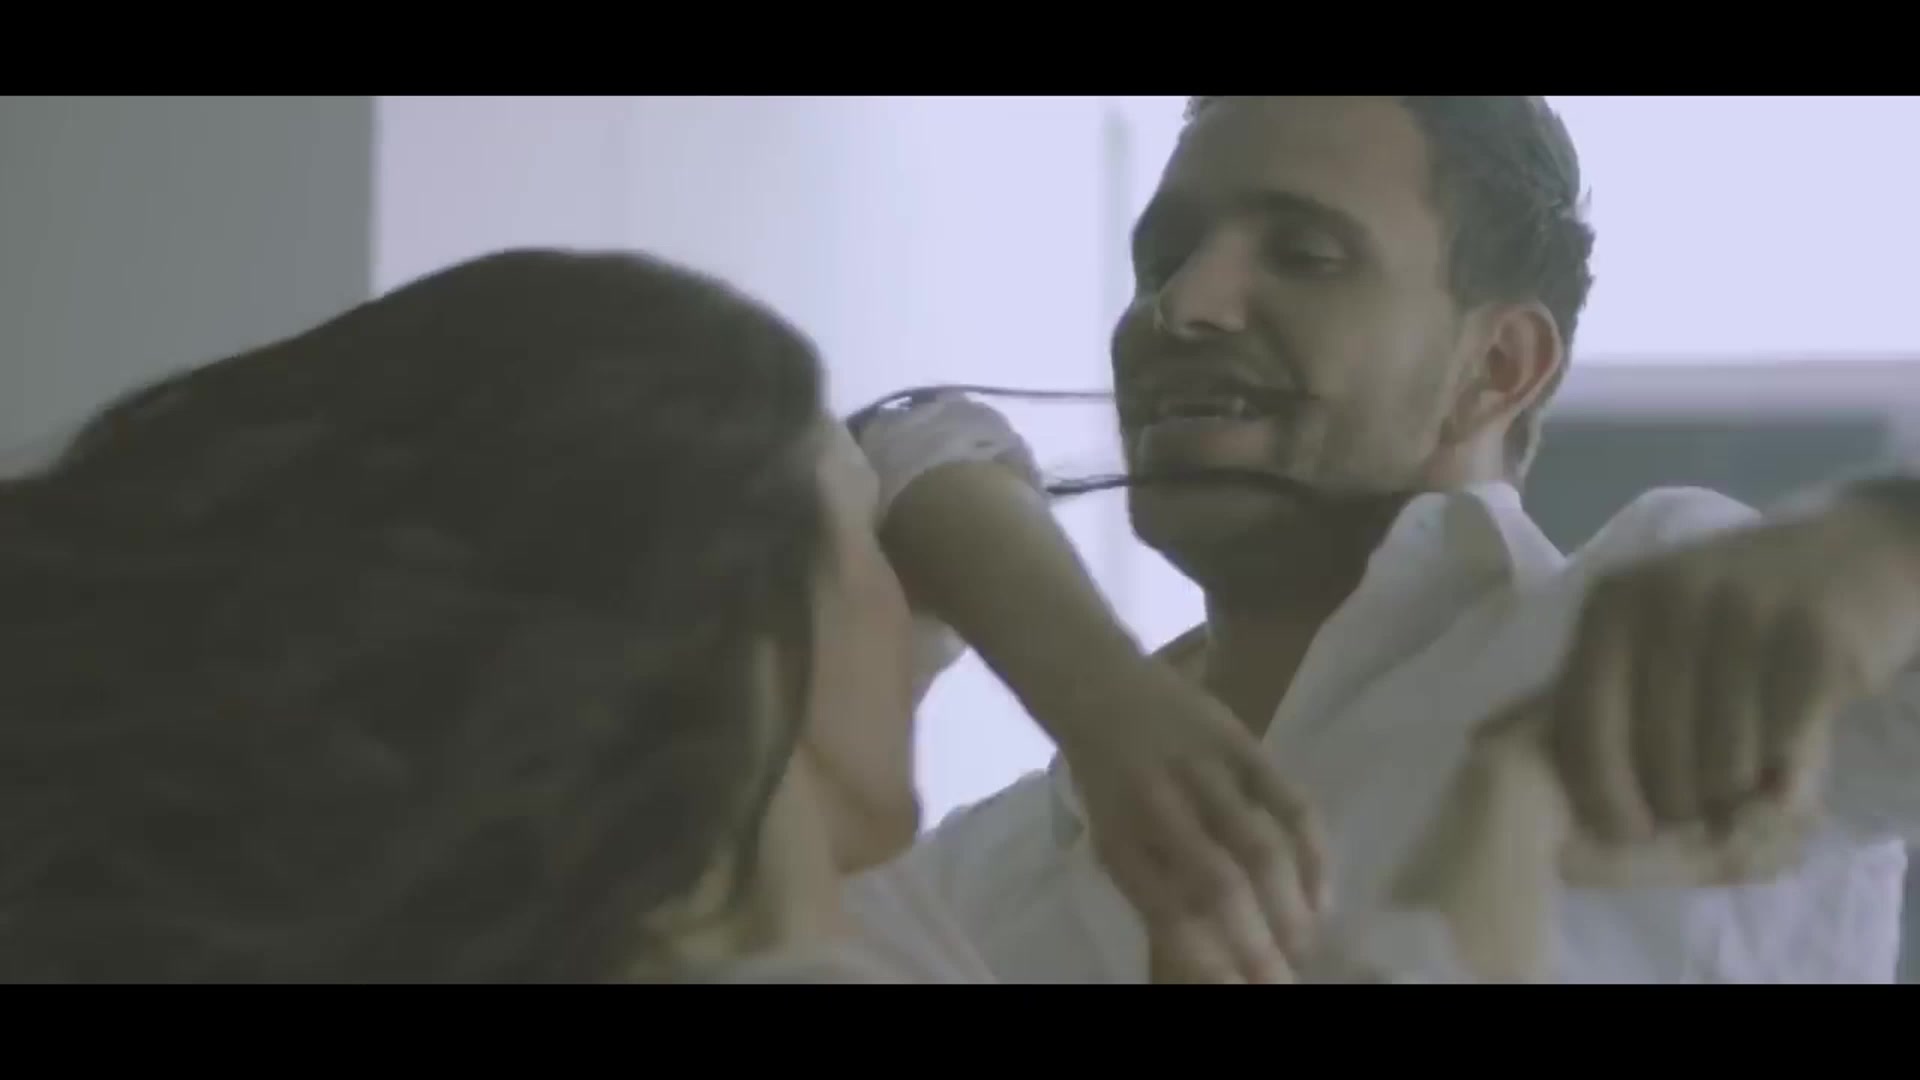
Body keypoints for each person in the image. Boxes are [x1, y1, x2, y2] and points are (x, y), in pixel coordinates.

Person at [852, 96, 1920, 982]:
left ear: (1498, 367)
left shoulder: (1640, 638)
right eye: (1162, 260)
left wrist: (1884, 543)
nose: (1183, 304)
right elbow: (880, 451)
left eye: (1305, 255)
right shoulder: (981, 876)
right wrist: (1105, 706)